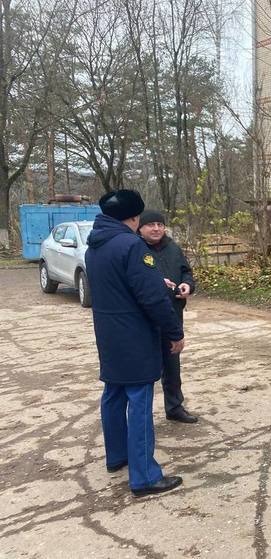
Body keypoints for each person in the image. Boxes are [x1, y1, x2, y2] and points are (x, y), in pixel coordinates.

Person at [86, 190, 185, 497]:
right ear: (132, 218)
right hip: (134, 334)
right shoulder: (131, 246)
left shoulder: (95, 246)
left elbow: (119, 287)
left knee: (113, 393)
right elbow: (151, 298)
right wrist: (173, 332)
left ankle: (117, 457)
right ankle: (144, 477)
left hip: (108, 333)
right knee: (140, 400)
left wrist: (155, 280)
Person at [138, 210, 198, 424]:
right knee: (144, 367)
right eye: (150, 225)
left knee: (172, 364)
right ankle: (140, 415)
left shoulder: (173, 248)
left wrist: (187, 285)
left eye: (159, 224)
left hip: (172, 314)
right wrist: (157, 283)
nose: (156, 228)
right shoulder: (136, 250)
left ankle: (174, 407)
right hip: (144, 319)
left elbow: (186, 272)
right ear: (140, 228)